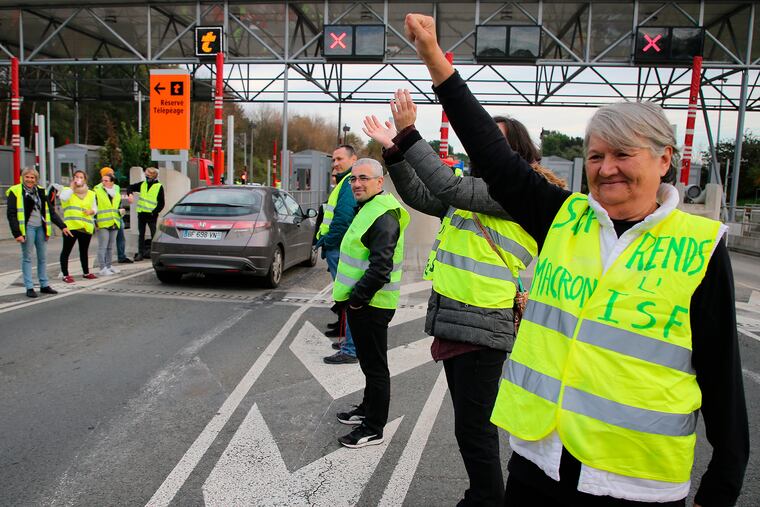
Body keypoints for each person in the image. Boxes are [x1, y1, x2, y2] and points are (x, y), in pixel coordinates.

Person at [405, 13, 749, 506]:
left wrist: (721, 486)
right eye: (595, 156)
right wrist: (435, 60)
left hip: (634, 482)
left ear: (664, 159)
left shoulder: (700, 246)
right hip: (540, 464)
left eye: (623, 154)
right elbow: (494, 155)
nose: (606, 169)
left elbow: (722, 378)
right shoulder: (563, 217)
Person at [364, 90, 564, 507]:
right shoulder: (475, 192)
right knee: (469, 427)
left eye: (494, 142)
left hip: (482, 321)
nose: (481, 148)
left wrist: (407, 134)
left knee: (474, 429)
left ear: (515, 154)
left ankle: (487, 499)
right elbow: (422, 196)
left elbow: (444, 185)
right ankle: (484, 494)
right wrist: (393, 152)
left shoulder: (514, 193)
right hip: (461, 320)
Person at [333, 158, 410, 448]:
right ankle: (366, 409)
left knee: (376, 367)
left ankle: (374, 428)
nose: (356, 184)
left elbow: (381, 268)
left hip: (372, 305)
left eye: (364, 178)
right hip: (366, 303)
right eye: (354, 179)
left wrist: (356, 300)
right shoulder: (370, 208)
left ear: (380, 182)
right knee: (368, 364)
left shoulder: (383, 215)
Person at [316, 145, 360, 364]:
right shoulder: (345, 182)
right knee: (346, 298)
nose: (335, 163)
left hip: (339, 249)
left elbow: (342, 219)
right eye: (333, 159)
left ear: (354, 159)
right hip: (339, 249)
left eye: (340, 158)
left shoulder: (349, 182)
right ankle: (349, 345)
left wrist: (329, 243)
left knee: (349, 298)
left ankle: (351, 349)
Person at [6, 167, 70, 297]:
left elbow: (50, 211)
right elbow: (11, 214)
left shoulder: (40, 191)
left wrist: (62, 226)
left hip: (41, 228)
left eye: (32, 177)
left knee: (42, 257)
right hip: (27, 228)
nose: (30, 180)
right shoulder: (15, 191)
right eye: (27, 177)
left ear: (36, 179)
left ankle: (44, 285)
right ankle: (29, 287)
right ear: (23, 177)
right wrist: (17, 233)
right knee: (27, 258)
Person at [59, 169, 98, 283]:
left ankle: (86, 272)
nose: (78, 179)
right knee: (66, 251)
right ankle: (65, 274)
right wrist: (72, 187)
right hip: (71, 226)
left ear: (85, 179)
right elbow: (63, 198)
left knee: (84, 251)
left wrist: (92, 211)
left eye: (81, 177)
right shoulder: (67, 190)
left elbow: (95, 207)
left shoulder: (91, 193)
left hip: (86, 226)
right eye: (76, 177)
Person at [127, 166, 164, 261]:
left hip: (152, 215)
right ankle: (140, 253)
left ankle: (154, 253)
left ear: (153, 176)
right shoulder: (143, 184)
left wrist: (154, 212)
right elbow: (130, 187)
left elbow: (161, 203)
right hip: (142, 214)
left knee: (153, 235)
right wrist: (130, 194)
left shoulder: (159, 187)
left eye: (148, 176)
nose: (146, 177)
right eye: (145, 175)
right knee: (141, 235)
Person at [93, 169, 125, 276]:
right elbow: (94, 205)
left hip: (115, 220)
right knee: (103, 246)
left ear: (112, 182)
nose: (104, 182)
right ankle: (102, 268)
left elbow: (118, 203)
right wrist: (95, 221)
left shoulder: (116, 189)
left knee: (110, 246)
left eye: (106, 181)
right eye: (103, 180)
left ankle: (109, 265)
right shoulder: (97, 190)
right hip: (102, 222)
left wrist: (121, 209)